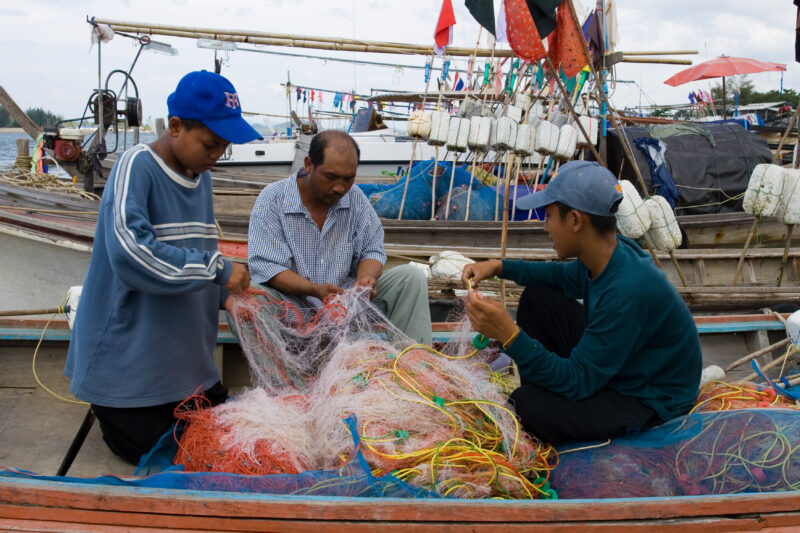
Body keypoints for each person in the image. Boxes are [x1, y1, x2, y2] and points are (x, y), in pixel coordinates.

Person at [65, 70, 261, 464]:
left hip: (190, 377)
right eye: (211, 144)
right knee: (182, 456)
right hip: (130, 381)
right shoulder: (135, 166)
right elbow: (131, 254)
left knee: (244, 441)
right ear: (175, 127)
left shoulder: (199, 176)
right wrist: (219, 270)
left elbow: (196, 258)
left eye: (223, 147)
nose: (217, 155)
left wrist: (230, 294)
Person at [462, 160, 701, 445]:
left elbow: (577, 380)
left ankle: (549, 410)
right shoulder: (608, 256)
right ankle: (552, 399)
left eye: (548, 216)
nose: (544, 226)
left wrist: (509, 335)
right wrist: (498, 267)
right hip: (625, 367)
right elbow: (557, 275)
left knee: (524, 406)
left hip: (648, 399)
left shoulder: (628, 290)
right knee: (538, 298)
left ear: (575, 220)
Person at [248, 130, 432, 345]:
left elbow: (372, 250)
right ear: (309, 164)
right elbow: (267, 267)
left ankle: (413, 364)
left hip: (348, 308)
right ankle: (284, 378)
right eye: (331, 177)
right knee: (249, 298)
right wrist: (315, 290)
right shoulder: (273, 200)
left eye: (349, 178)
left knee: (410, 277)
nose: (340, 188)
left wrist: (366, 278)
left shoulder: (356, 199)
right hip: (293, 309)